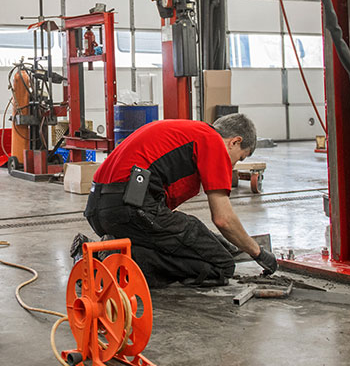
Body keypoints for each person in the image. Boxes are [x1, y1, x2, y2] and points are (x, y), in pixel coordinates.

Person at [78, 113, 276, 288]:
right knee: (221, 266)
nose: (233, 166)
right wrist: (257, 253)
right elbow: (223, 219)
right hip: (129, 208)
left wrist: (217, 241)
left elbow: (164, 225)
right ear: (234, 142)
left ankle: (100, 255)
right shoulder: (213, 141)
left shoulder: (189, 133)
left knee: (194, 240)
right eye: (239, 158)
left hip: (101, 209)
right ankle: (115, 264)